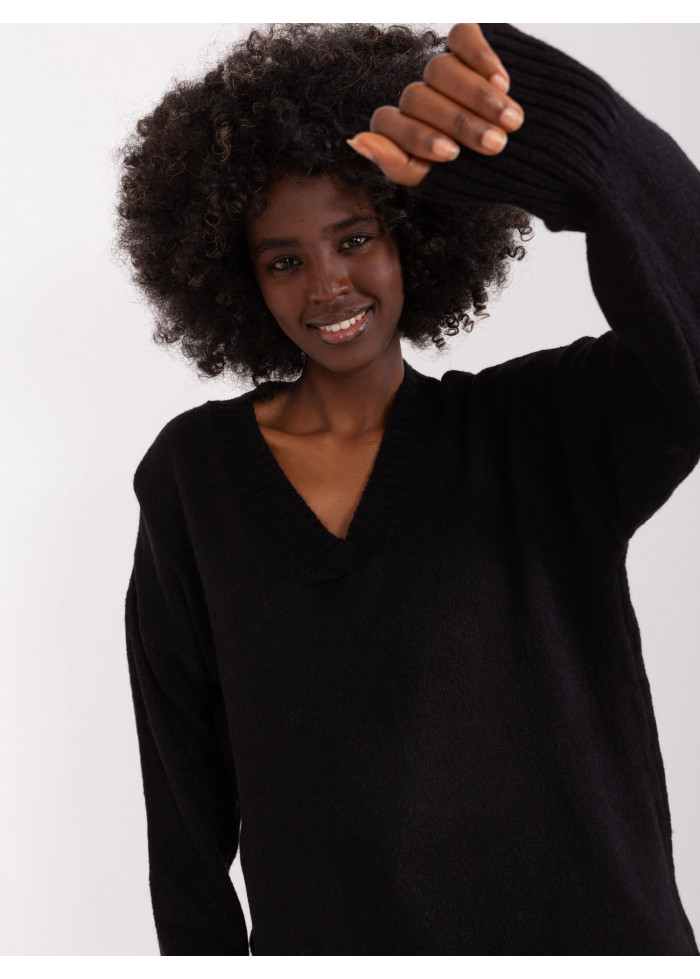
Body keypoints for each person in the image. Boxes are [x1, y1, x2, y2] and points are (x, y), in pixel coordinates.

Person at [119, 23, 700, 955]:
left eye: (355, 238)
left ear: (415, 236)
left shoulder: (545, 429)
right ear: (238, 279)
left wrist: (583, 147)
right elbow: (181, 793)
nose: (327, 285)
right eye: (284, 260)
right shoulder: (195, 476)